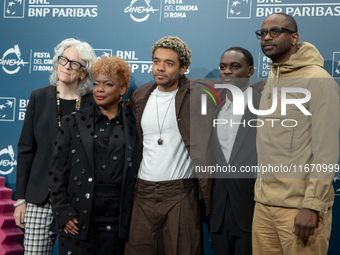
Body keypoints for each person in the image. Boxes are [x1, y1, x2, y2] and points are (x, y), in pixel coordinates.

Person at [253, 13, 340, 254]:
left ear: (294, 38)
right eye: (262, 33)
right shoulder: (272, 78)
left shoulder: (318, 80)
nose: (267, 37)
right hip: (263, 205)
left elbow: (327, 150)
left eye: (275, 31)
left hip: (299, 209)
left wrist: (312, 206)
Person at [123, 36, 211, 255]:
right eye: (156, 61)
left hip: (180, 193)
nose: (160, 68)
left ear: (183, 68)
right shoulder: (141, 95)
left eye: (169, 63)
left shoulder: (198, 96)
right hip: (142, 192)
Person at [14, 38, 97, 254]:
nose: (67, 66)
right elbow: (25, 149)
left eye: (75, 64)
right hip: (39, 199)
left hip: (76, 201)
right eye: (63, 60)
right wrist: (20, 199)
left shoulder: (92, 104)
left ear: (84, 73)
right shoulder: (39, 97)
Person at [49, 56, 139, 255]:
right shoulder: (73, 122)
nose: (99, 89)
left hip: (117, 222)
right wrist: (63, 213)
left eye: (108, 84)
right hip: (77, 219)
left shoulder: (134, 126)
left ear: (122, 89)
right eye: (96, 83)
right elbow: (57, 172)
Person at [210, 47, 260, 255]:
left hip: (252, 209)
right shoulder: (215, 108)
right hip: (218, 213)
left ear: (250, 71)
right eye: (223, 67)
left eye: (235, 66)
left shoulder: (264, 106)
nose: (227, 72)